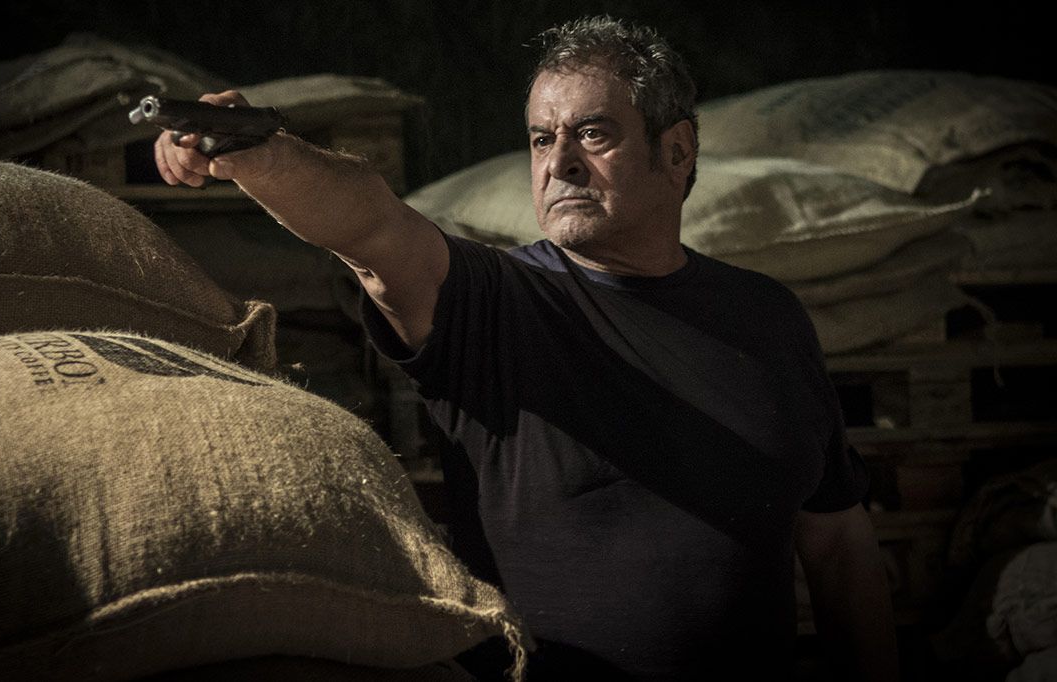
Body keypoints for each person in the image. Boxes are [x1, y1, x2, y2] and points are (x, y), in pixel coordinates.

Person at [153, 15, 899, 681]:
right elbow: (371, 226)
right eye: (543, 138)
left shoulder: (766, 319)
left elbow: (836, 538)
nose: (559, 161)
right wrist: (263, 154)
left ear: (676, 151)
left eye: (593, 134)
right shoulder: (496, 304)